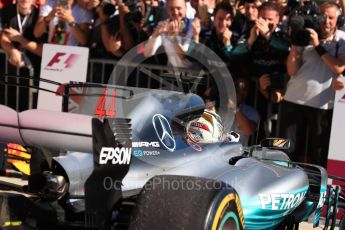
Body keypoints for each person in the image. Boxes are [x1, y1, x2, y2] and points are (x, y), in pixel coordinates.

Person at [280, 2, 345, 168]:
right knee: (287, 152)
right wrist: (295, 44)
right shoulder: (306, 35)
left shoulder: (341, 39)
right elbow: (292, 70)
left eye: (331, 17)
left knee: (319, 154)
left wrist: (317, 45)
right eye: (323, 16)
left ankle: (317, 191)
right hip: (293, 100)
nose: (327, 21)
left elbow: (338, 66)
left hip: (322, 105)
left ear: (339, 19)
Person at [1, 0, 45, 111]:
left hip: (33, 77)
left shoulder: (39, 16)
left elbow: (43, 51)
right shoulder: (6, 12)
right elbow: (3, 38)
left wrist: (20, 39)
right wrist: (13, 51)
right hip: (9, 76)